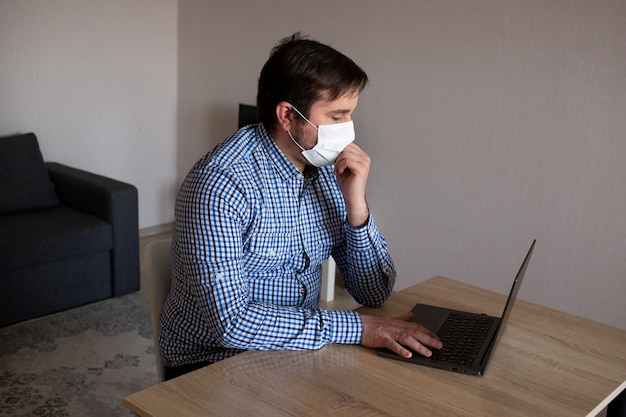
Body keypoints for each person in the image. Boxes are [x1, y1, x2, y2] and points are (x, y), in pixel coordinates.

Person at [159, 33, 442, 380]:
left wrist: (357, 206)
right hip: (211, 364)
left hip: (291, 349)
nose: (348, 132)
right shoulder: (221, 184)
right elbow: (230, 324)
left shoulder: (325, 170)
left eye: (350, 116)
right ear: (287, 116)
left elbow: (375, 291)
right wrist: (359, 328)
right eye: (337, 116)